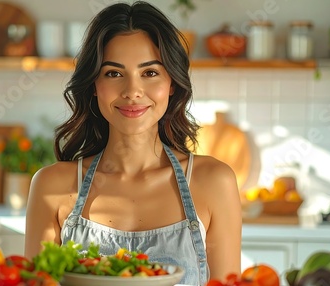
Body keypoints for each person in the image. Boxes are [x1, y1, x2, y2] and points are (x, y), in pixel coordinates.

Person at [25, 1, 242, 285]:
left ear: (172, 83)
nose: (132, 91)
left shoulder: (214, 182)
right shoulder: (50, 187)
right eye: (114, 73)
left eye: (150, 73)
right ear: (93, 85)